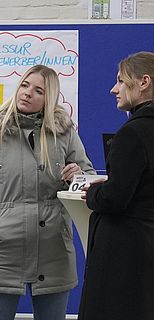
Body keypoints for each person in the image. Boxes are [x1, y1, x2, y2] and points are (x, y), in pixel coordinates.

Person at [0, 64, 95, 320]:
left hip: (52, 246)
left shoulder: (63, 130)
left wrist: (77, 177)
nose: (27, 93)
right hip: (1, 246)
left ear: (48, 99)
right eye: (25, 85)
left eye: (38, 90)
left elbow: (89, 179)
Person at [79, 51, 154, 320]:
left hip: (125, 253)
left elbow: (116, 199)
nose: (114, 89)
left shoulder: (133, 133)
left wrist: (94, 192)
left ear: (143, 82)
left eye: (121, 81)